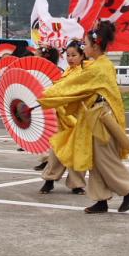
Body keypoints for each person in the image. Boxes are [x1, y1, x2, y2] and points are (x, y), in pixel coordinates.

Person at [39, 21, 129, 214]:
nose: (83, 47)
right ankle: (101, 200)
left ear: (96, 45)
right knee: (94, 159)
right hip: (95, 117)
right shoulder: (100, 64)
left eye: (85, 44)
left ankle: (128, 191)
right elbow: (74, 86)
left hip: (101, 119)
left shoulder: (97, 68)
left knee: (105, 159)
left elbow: (72, 85)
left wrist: (43, 96)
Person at [39, 39, 87, 195]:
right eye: (68, 55)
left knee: (78, 153)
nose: (70, 58)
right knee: (56, 152)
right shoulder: (65, 73)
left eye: (74, 55)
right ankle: (49, 180)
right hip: (63, 119)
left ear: (82, 55)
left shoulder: (86, 73)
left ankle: (77, 184)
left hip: (79, 119)